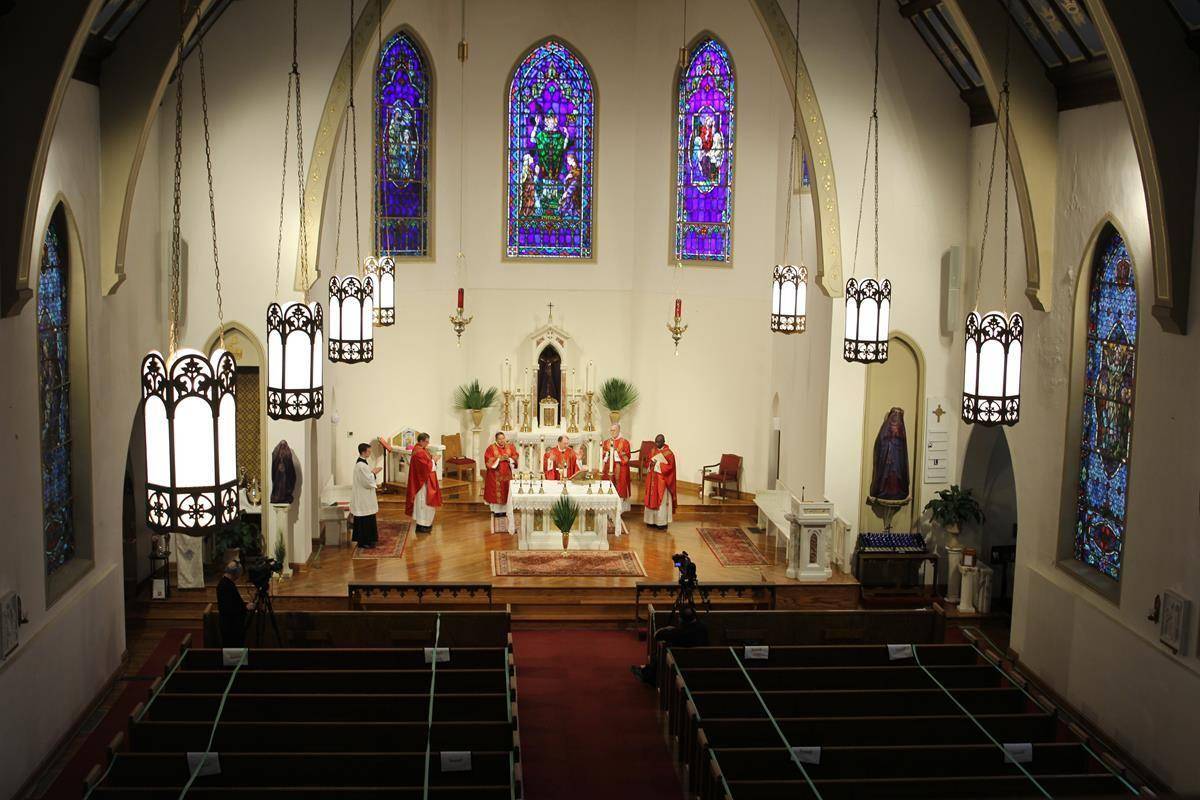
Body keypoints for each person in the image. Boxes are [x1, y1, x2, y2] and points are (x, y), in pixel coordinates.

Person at [630, 605, 708, 686]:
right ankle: (646, 669)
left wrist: (669, 629)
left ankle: (648, 675)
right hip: (700, 662)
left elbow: (657, 635)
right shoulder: (703, 628)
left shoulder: (679, 633)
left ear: (681, 619)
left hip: (679, 664)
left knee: (663, 651)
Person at [405, 432, 443, 533]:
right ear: (421, 441)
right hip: (421, 483)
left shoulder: (421, 449)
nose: (428, 443)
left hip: (423, 481)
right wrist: (434, 460)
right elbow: (425, 467)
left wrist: (432, 459)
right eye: (426, 441)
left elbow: (426, 462)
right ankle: (422, 525)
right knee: (423, 503)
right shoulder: (419, 452)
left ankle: (424, 524)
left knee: (424, 504)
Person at [350, 442, 382, 549]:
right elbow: (367, 481)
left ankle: (368, 539)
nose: (370, 452)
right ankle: (363, 541)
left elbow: (366, 477)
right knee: (364, 519)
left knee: (368, 518)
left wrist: (371, 473)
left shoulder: (363, 464)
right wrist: (374, 473)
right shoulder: (361, 465)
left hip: (364, 496)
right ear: (363, 452)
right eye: (369, 451)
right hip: (363, 497)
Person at [484, 431, 519, 526]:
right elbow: (488, 460)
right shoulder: (491, 448)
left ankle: (506, 510)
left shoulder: (510, 446)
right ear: (496, 440)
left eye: (503, 438)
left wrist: (509, 459)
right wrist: (499, 459)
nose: (502, 440)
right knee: (497, 493)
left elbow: (515, 456)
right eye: (500, 439)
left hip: (507, 476)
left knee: (506, 492)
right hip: (495, 476)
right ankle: (496, 511)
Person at [643, 433, 677, 530]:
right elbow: (648, 463)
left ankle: (661, 523)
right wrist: (650, 464)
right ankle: (651, 521)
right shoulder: (653, 450)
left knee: (661, 502)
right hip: (652, 479)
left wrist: (658, 464)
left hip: (662, 481)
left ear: (663, 442)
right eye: (656, 441)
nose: (656, 444)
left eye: (658, 442)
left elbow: (670, 468)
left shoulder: (669, 454)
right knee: (650, 499)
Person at [216, 561, 253, 647]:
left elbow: (232, 603)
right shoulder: (227, 586)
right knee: (233, 652)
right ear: (236, 573)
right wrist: (245, 608)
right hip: (231, 628)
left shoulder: (224, 583)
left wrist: (243, 606)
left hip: (228, 625)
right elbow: (230, 609)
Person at [600, 423, 632, 514]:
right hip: (608, 469)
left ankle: (619, 510)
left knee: (620, 486)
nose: (612, 432)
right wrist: (608, 453)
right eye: (611, 430)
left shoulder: (625, 442)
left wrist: (616, 454)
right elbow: (603, 453)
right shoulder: (606, 442)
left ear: (618, 430)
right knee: (608, 486)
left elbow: (627, 456)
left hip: (621, 468)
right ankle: (608, 509)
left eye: (614, 430)